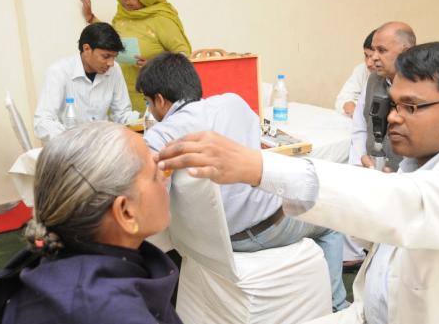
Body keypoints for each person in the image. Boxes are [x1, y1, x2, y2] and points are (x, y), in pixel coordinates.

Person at [155, 42, 439, 324]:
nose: (392, 117)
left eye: (411, 107)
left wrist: (258, 166)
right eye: (393, 105)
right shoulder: (416, 167)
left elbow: (402, 205)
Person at [136, 52, 348, 311]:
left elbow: (141, 168)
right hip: (267, 228)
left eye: (148, 103)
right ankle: (338, 305)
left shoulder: (165, 131)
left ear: (160, 99)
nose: (151, 111)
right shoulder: (234, 103)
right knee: (332, 222)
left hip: (213, 242)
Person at [0, 122, 182, 323]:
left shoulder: (53, 257)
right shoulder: (113, 314)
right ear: (126, 212)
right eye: (156, 176)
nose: (165, 180)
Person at [81, 0, 192, 113]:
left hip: (153, 99)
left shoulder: (161, 19)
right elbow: (112, 38)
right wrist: (91, 18)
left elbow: (184, 56)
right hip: (121, 96)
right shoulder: (122, 15)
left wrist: (155, 65)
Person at [33, 23, 138, 142]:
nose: (111, 63)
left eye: (114, 57)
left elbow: (122, 115)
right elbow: (42, 121)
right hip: (69, 148)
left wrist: (144, 120)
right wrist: (71, 140)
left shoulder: (115, 70)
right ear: (86, 49)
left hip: (102, 145)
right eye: (106, 56)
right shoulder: (59, 72)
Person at [350, 21, 415, 169]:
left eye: (382, 50)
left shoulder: (422, 88)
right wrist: (360, 160)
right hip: (370, 171)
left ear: (405, 52)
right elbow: (359, 126)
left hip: (404, 179)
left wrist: (399, 176)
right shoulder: (372, 80)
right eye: (373, 50)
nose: (373, 57)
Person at [334, 29, 376, 116]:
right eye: (366, 56)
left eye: (373, 57)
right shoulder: (362, 70)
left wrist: (358, 110)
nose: (368, 63)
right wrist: (350, 106)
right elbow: (341, 100)